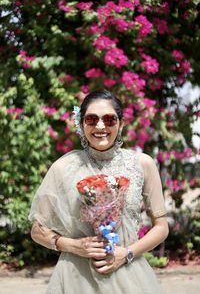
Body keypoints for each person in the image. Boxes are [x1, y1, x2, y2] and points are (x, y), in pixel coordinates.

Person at [29, 89, 169, 294]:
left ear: (121, 123)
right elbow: (37, 230)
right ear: (82, 123)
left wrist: (126, 253)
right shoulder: (63, 167)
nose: (100, 126)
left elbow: (162, 227)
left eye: (110, 119)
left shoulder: (142, 164)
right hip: (75, 278)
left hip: (128, 274)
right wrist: (73, 246)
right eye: (92, 119)